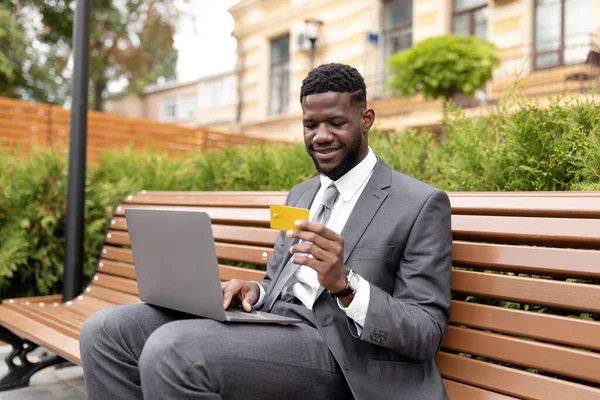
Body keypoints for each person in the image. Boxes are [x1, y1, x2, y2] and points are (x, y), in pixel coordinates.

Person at [80, 63, 452, 400]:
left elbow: (426, 333)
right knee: (106, 332)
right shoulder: (302, 193)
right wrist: (255, 292)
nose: (321, 136)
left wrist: (345, 284)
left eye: (336, 123)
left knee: (173, 350)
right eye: (311, 125)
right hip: (276, 327)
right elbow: (279, 282)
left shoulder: (419, 204)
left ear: (366, 118)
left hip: (344, 359)